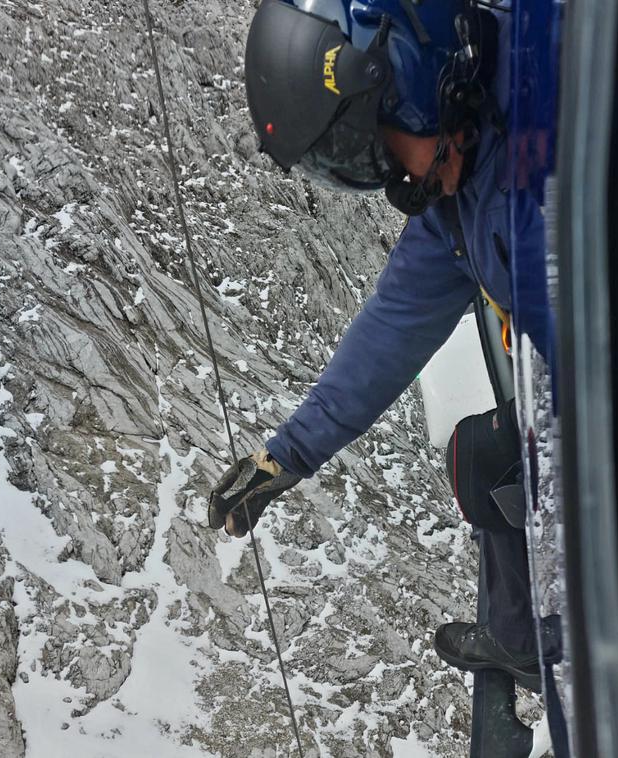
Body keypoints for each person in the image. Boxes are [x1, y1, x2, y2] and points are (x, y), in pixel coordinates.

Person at [208, 0, 542, 693]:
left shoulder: (538, 165)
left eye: (371, 148)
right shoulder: (460, 177)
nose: (385, 177)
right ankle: (520, 638)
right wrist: (286, 455)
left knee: (516, 468)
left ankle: (567, 647)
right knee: (484, 461)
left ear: (414, 88)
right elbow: (392, 328)